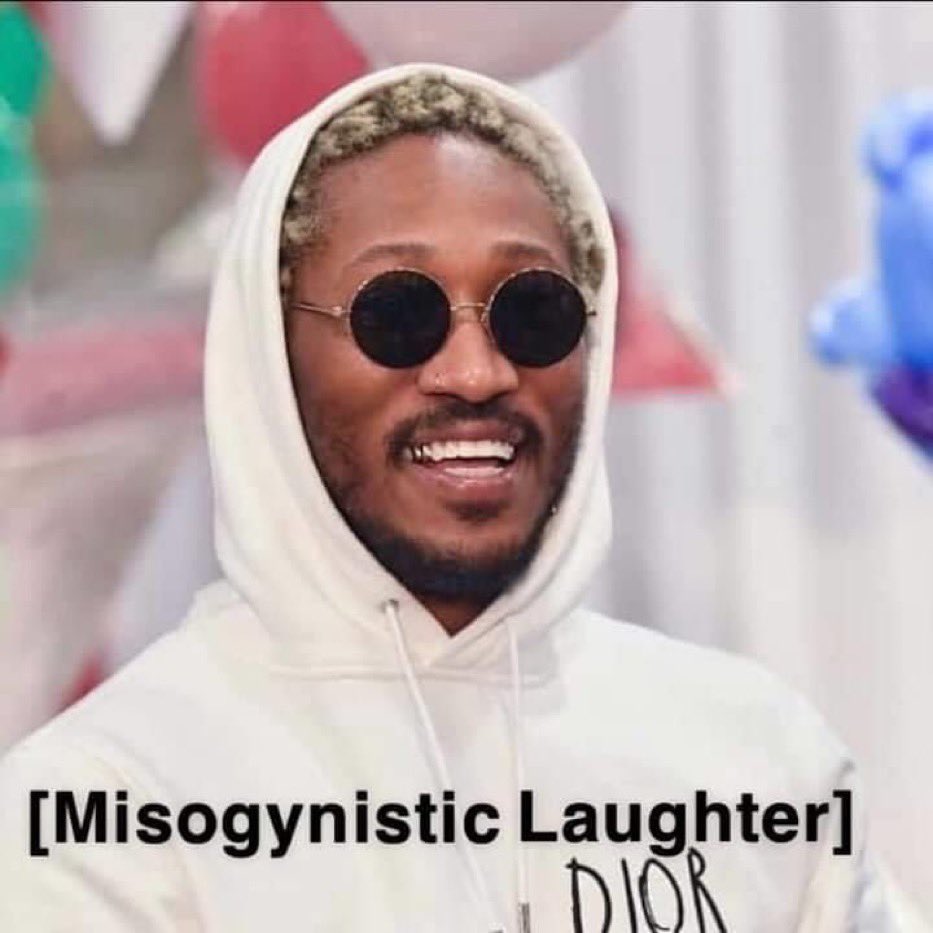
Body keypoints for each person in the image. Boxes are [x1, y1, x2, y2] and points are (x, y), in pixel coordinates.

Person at [0, 63, 924, 932]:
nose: (478, 372)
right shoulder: (104, 804)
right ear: (271, 355)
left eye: (533, 310)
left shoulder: (760, 761)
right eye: (397, 314)